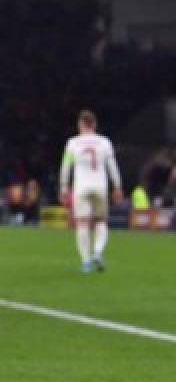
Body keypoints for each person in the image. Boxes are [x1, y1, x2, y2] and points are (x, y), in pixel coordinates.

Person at [59, 109, 123, 272]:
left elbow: (66, 167)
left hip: (81, 187)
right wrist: (117, 186)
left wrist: (64, 187)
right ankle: (98, 252)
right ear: (94, 125)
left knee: (82, 223)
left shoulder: (72, 143)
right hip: (100, 186)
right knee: (101, 221)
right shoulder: (104, 142)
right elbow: (112, 166)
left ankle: (86, 262)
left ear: (80, 125)